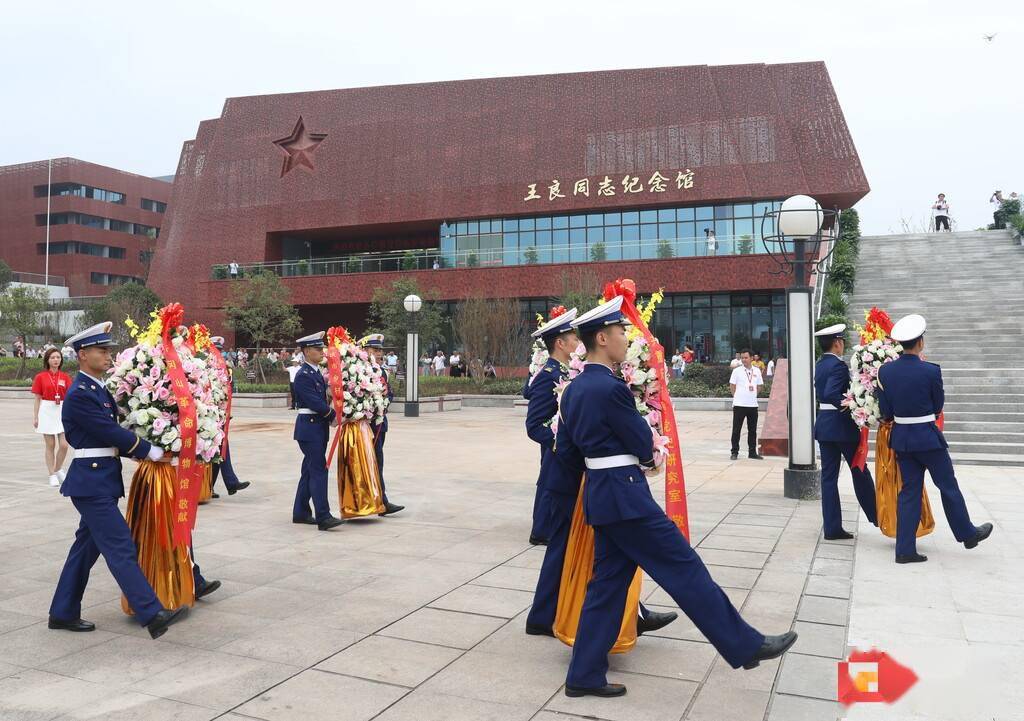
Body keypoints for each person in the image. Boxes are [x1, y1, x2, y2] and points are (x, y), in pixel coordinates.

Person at [557, 298, 796, 697]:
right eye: (619, 332)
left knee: (608, 587)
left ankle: (583, 674)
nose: (624, 338)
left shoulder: (575, 389)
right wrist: (646, 452)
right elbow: (640, 440)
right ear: (601, 338)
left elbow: (565, 452)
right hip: (627, 497)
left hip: (602, 495)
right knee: (685, 569)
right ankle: (744, 644)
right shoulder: (610, 388)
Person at [48, 322, 190, 639]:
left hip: (100, 479)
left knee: (84, 550)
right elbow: (109, 432)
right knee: (121, 545)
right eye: (102, 350)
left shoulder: (97, 389)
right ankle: (151, 613)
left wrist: (139, 452)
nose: (107, 355)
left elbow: (108, 438)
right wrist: (148, 450)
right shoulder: (80, 394)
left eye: (108, 350)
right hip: (91, 483)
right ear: (83, 355)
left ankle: (62, 612)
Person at [876, 314, 993, 564]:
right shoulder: (930, 371)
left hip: (903, 440)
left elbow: (885, 411)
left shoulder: (885, 372)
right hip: (928, 439)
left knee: (909, 491)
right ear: (920, 342)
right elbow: (938, 405)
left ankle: (905, 550)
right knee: (948, 486)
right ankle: (967, 533)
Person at [813, 324, 878, 540]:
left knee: (828, 478)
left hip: (824, 426)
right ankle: (878, 515)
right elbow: (833, 393)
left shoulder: (820, 364)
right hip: (841, 427)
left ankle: (832, 528)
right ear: (837, 343)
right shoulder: (838, 366)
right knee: (859, 471)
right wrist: (854, 404)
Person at [523, 308, 578, 546]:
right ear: (560, 343)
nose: (579, 343)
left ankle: (547, 527)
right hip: (556, 446)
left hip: (563, 446)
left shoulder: (568, 371)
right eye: (575, 339)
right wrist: (560, 441)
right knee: (549, 482)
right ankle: (542, 530)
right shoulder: (548, 375)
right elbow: (533, 425)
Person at [291, 331, 344, 531]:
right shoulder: (303, 375)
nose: (321, 352)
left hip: (316, 427)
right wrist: (331, 415)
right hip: (309, 427)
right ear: (306, 351)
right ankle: (323, 515)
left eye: (321, 348)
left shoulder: (315, 372)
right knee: (318, 470)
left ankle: (301, 512)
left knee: (309, 470)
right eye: (317, 349)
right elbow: (314, 401)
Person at [359, 334, 405, 516]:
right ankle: (370, 502)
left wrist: (384, 403)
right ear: (365, 350)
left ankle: (381, 502)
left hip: (380, 424)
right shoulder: (358, 371)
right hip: (365, 425)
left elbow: (389, 393)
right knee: (366, 464)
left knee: (378, 463)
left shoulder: (382, 371)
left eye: (380, 350)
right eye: (375, 350)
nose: (379, 353)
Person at [208, 336, 251, 498]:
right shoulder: (202, 368)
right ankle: (228, 483)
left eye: (220, 351)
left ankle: (212, 487)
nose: (219, 354)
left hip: (219, 416)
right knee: (219, 448)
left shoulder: (222, 369)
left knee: (220, 448)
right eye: (215, 351)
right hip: (207, 417)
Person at [32, 348, 73, 487]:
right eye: (53, 357)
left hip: (62, 410)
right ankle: (52, 475)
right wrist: (36, 417)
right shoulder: (40, 377)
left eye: (58, 357)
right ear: (47, 360)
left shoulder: (65, 377)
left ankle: (57, 469)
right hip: (46, 410)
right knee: (50, 445)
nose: (56, 360)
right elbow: (37, 398)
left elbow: (70, 398)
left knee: (64, 445)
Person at [729, 349, 764, 460]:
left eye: (746, 357)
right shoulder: (737, 371)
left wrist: (753, 395)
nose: (744, 360)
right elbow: (732, 386)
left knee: (752, 430)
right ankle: (734, 452)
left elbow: (760, 386)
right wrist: (737, 396)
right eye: (742, 357)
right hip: (739, 404)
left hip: (752, 405)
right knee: (736, 429)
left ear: (751, 358)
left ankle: (752, 452)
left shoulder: (757, 371)